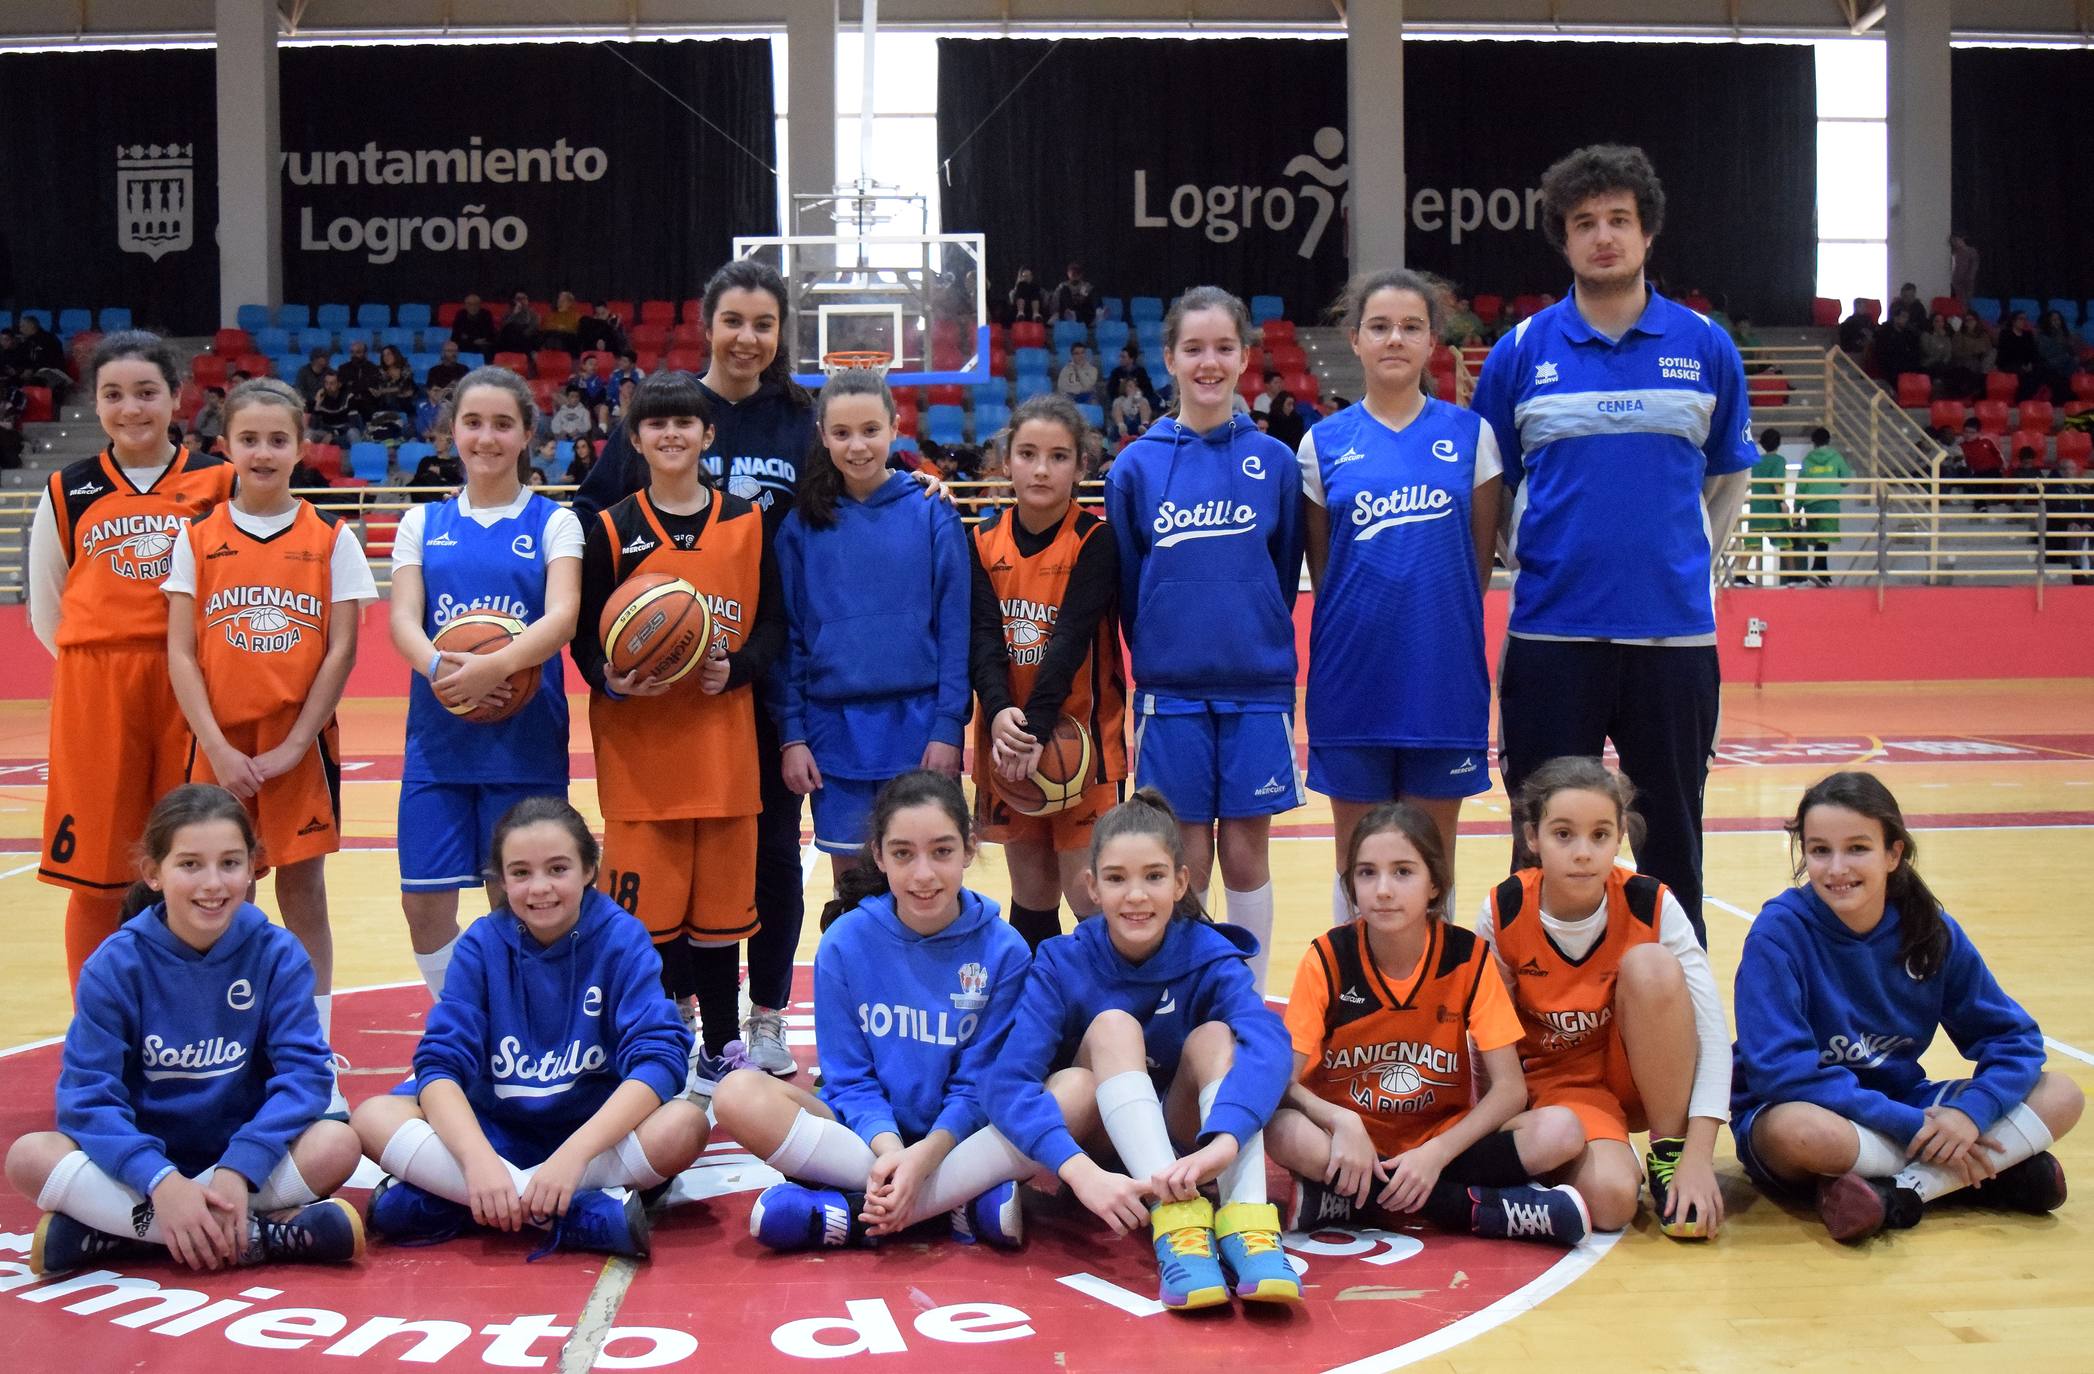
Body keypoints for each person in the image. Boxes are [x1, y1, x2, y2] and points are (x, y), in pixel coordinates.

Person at [1470, 144, 1754, 945]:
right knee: (1539, 842)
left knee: (1672, 843)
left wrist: (1676, 565)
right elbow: (1496, 489)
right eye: (1585, 223)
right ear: (1563, 239)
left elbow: (1723, 482)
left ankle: (1683, 1027)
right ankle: (1522, 1025)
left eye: (1619, 221)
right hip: (1552, 638)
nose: (1604, 237)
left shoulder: (1705, 346)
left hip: (1673, 642)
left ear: (1647, 233)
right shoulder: (1521, 353)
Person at [572, 259, 825, 1080]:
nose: (747, 337)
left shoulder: (801, 419)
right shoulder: (665, 409)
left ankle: (764, 1016)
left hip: (762, 670)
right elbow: (591, 527)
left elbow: (851, 490)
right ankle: (674, 1016)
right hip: (665, 684)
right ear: (708, 324)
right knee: (672, 856)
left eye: (763, 324)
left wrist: (921, 489)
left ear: (779, 333)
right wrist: (608, 653)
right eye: (734, 321)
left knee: (772, 852)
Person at [4, 784, 364, 1275]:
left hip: (242, 1163)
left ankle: (123, 1234)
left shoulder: (277, 954)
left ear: (251, 866)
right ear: (153, 873)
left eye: (230, 864)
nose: (212, 884)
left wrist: (241, 1168)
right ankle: (252, 1235)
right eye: (190, 864)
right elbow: (87, 1099)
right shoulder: (115, 964)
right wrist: (160, 1183)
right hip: (139, 1169)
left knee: (338, 1143)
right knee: (29, 1156)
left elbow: (305, 1080)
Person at [1731, 771, 2082, 1242]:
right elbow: (1780, 1072)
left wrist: (1969, 1114)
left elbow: (2012, 1039)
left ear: (1893, 853)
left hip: (1902, 1103)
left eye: (1857, 848)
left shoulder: (1928, 930)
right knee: (1804, 1132)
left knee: (2062, 1094)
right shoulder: (1779, 932)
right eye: (1819, 850)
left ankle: (1897, 1194)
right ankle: (1985, 1176)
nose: (1837, 868)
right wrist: (1916, 1126)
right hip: (1808, 1113)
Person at [351, 798, 708, 1258]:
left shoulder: (621, 937)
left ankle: (463, 1205)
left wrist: (572, 1158)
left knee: (685, 1125)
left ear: (589, 870)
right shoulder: (481, 944)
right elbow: (439, 1066)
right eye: (520, 873)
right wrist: (478, 1163)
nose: (540, 888)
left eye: (558, 869)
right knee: (371, 1118)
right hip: (496, 1132)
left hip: (592, 1136)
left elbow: (660, 1060)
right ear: (500, 880)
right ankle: (571, 1212)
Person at [984, 791, 1299, 1310]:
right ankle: (1177, 1226)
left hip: (1184, 1143)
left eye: (1153, 877)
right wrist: (1072, 1167)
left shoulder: (1208, 953)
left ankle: (1249, 1225)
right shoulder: (1063, 960)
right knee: (1112, 1027)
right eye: (1116, 878)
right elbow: (1006, 1080)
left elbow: (1268, 1041)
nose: (1136, 895)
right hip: (1100, 1146)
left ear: (1181, 881)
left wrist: (1226, 1139)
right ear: (1090, 886)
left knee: (1219, 1038)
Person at [164, 377, 377, 1113]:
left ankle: (312, 1057)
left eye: (277, 439)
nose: (263, 452)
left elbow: (341, 652)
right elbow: (182, 655)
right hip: (218, 745)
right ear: (225, 446)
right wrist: (216, 747)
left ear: (301, 445)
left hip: (299, 744)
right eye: (248, 439)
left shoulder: (330, 539)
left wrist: (295, 743)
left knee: (302, 891)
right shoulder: (197, 539)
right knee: (220, 895)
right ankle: (227, 1052)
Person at [714, 771, 1035, 1250]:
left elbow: (980, 1086)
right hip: (865, 1139)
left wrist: (926, 1155)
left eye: (942, 851)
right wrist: (892, 1151)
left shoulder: (1005, 950)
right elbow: (851, 1081)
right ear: (879, 855)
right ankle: (957, 1198)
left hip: (960, 1136)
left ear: (969, 849)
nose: (923, 874)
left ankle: (856, 1211)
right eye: (904, 853)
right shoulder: (846, 942)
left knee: (1066, 1093)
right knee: (736, 1094)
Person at [1272, 803, 1590, 1246]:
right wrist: (1342, 1120)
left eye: (1403, 872)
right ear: (1351, 885)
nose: (1383, 890)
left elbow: (1510, 1091)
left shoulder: (1468, 958)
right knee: (1282, 1130)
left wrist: (1435, 1153)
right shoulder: (1327, 958)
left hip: (1443, 1146)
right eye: (1367, 873)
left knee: (1563, 1130)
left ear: (1435, 884)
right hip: (1351, 1146)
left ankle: (1353, 1203)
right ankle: (1472, 1210)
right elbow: (1280, 1083)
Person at [1106, 285, 1305, 990]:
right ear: (1169, 358)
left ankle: (1245, 997)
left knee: (1249, 852)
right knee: (1182, 855)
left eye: (1224, 347)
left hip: (1255, 690)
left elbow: (1280, 577)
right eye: (1194, 348)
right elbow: (1132, 581)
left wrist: (1249, 633)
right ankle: (1192, 998)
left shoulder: (1275, 463)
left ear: (1246, 357)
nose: (1209, 362)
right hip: (1171, 693)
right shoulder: (1136, 466)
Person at [28, 332, 237, 989]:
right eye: (113, 395)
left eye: (147, 393)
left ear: (176, 397)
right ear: (95, 404)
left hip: (194, 685)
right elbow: (48, 607)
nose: (131, 408)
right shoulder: (69, 488)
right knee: (97, 875)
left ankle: (211, 1019)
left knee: (204, 865)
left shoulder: (218, 479)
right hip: (99, 685)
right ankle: (99, 1033)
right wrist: (102, 663)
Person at [1299, 269, 1499, 920]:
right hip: (1352, 682)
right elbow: (1326, 572)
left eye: (1411, 327)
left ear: (1433, 340)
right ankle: (1355, 1006)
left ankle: (1436, 1012)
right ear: (1355, 340)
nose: (1395, 339)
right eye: (1379, 327)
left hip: (1441, 679)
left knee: (1429, 861)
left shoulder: (1472, 438)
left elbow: (1475, 566)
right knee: (1358, 858)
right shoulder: (1322, 445)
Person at [386, 366, 582, 1000]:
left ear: (527, 433)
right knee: (424, 906)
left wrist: (494, 667)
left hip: (525, 742)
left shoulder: (556, 523)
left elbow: (561, 618)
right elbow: (402, 621)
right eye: (473, 423)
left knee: (522, 899)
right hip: (439, 744)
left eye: (503, 424)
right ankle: (462, 1019)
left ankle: (525, 1023)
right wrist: (445, 670)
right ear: (452, 432)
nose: (487, 437)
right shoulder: (422, 523)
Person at [1478, 758, 1731, 1239]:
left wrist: (1699, 1157)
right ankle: (1603, 1159)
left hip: (1642, 1071)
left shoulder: (1651, 901)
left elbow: (1714, 1035)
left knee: (1651, 965)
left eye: (1599, 835)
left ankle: (1668, 1151)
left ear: (1620, 838)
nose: (1582, 853)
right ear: (1532, 838)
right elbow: (1481, 1039)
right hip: (1561, 1086)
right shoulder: (1503, 909)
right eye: (1564, 834)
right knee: (1613, 1205)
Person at [777, 369, 970, 875]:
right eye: (841, 433)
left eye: (870, 430)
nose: (857, 445)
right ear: (822, 436)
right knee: (854, 892)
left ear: (895, 426)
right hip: (832, 733)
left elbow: (955, 631)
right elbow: (791, 639)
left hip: (920, 728)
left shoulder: (932, 512)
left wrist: (949, 726)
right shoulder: (802, 525)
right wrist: (792, 734)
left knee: (925, 883)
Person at [969, 394, 1127, 948]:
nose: (1041, 468)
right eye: (1028, 453)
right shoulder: (982, 540)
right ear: (1005, 460)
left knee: (1089, 895)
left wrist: (1033, 728)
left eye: (1059, 456)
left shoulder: (1097, 539)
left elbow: (1070, 641)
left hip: (1082, 745)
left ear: (1081, 466)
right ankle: (1043, 1023)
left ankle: (1107, 1022)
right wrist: (999, 715)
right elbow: (983, 639)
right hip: (1009, 741)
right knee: (1032, 891)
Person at [1795, 427, 1850, 584]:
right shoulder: (1836, 457)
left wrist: (1797, 508)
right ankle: (1819, 569)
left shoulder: (1807, 460)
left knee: (1819, 539)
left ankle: (1820, 569)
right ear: (1828, 440)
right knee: (1824, 538)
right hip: (1829, 503)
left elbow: (1801, 486)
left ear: (1813, 442)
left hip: (1811, 505)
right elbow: (1846, 479)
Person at [1748, 427, 1793, 584]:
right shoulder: (1780, 461)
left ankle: (1740, 576)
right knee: (1785, 543)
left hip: (1756, 509)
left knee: (1752, 545)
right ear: (1779, 443)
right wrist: (1782, 502)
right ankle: (1793, 577)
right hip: (1772, 510)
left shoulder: (1756, 462)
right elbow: (1776, 483)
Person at [306, 371, 359, 446]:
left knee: (353, 432)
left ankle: (356, 456)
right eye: (326, 383)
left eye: (332, 383)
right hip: (326, 431)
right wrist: (317, 405)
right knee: (308, 433)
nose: (328, 387)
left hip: (343, 432)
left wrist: (334, 433)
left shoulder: (349, 397)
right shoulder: (321, 396)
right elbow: (313, 426)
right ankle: (306, 457)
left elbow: (353, 423)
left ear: (339, 384)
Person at [1108, 374, 1153, 444]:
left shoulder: (1142, 400)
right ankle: (1121, 426)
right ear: (1124, 388)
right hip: (1124, 424)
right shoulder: (1119, 400)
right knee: (1117, 407)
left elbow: (1149, 412)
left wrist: (1136, 398)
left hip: (1138, 424)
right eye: (1129, 386)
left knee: (1143, 403)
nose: (1132, 388)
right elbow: (1120, 412)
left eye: (1133, 386)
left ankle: (1144, 426)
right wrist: (1130, 397)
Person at [495, 291, 540, 356]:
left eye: (524, 298)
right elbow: (503, 328)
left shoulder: (533, 314)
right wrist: (514, 314)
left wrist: (519, 335)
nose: (521, 301)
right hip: (508, 340)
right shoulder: (509, 313)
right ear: (514, 301)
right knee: (510, 328)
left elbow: (531, 330)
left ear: (527, 300)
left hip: (524, 339)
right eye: (518, 299)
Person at [1949, 231, 1979, 304]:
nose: (1955, 243)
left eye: (1956, 240)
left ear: (1962, 239)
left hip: (1967, 279)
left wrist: (1971, 276)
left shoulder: (1971, 251)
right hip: (1955, 279)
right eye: (1953, 241)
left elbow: (1974, 264)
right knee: (1958, 300)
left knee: (1966, 300)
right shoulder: (1954, 251)